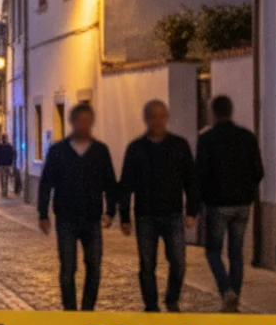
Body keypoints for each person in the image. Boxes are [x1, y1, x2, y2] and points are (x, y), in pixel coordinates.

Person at [38, 103, 120, 311]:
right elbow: (46, 182)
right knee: (68, 268)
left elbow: (109, 182)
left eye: (87, 121)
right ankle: (70, 311)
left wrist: (110, 211)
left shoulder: (100, 151)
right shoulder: (58, 151)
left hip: (92, 218)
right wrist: (43, 213)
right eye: (79, 121)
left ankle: (87, 310)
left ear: (91, 122)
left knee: (94, 266)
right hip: (66, 217)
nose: (83, 125)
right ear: (72, 122)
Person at [119, 100, 199, 312]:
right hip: (145, 215)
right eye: (153, 116)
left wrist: (192, 211)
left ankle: (172, 299)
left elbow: (191, 180)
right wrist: (124, 216)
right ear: (146, 119)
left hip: (173, 214)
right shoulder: (136, 149)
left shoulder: (179, 146)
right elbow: (126, 184)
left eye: (161, 116)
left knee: (179, 262)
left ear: (166, 118)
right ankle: (151, 305)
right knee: (147, 264)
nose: (157, 121)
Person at [196, 95, 264, 312]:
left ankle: (226, 291)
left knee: (213, 251)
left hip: (217, 204)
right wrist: (247, 190)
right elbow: (259, 171)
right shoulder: (247, 137)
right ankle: (234, 298)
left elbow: (200, 174)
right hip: (243, 204)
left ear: (213, 113)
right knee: (236, 253)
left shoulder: (207, 139)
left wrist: (198, 202)